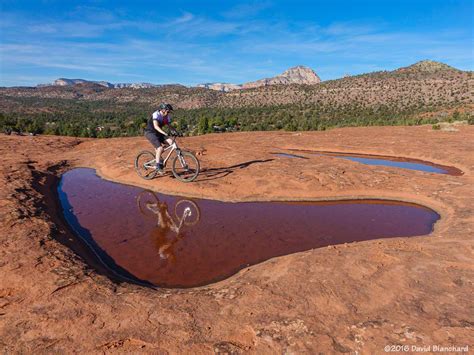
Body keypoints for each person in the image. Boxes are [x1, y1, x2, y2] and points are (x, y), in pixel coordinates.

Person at [144, 103, 174, 173]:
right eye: (168, 111)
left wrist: (176, 132)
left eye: (169, 112)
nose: (168, 113)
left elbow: (170, 126)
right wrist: (164, 133)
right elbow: (156, 126)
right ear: (163, 110)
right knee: (160, 148)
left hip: (158, 133)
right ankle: (157, 166)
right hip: (150, 133)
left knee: (171, 142)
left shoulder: (166, 117)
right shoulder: (156, 114)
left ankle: (158, 158)